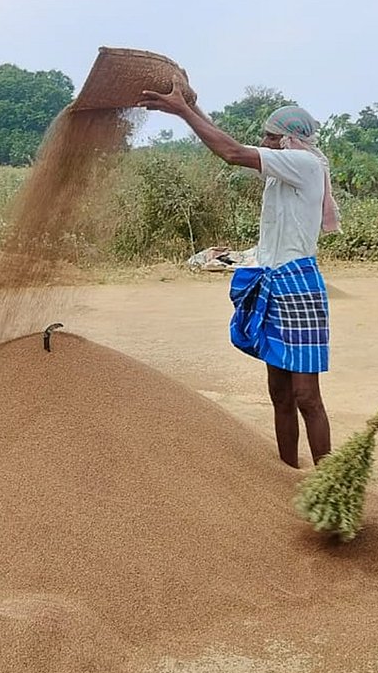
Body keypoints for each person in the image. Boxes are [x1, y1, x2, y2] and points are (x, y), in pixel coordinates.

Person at [139, 83, 340, 468]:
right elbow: (234, 147)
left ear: (288, 139)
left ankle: (327, 479)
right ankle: (288, 474)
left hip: (298, 285)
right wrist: (193, 108)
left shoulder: (305, 164)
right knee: (280, 393)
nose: (262, 141)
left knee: (306, 396)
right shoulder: (284, 167)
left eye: (269, 135)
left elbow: (232, 152)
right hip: (273, 279)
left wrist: (183, 113)